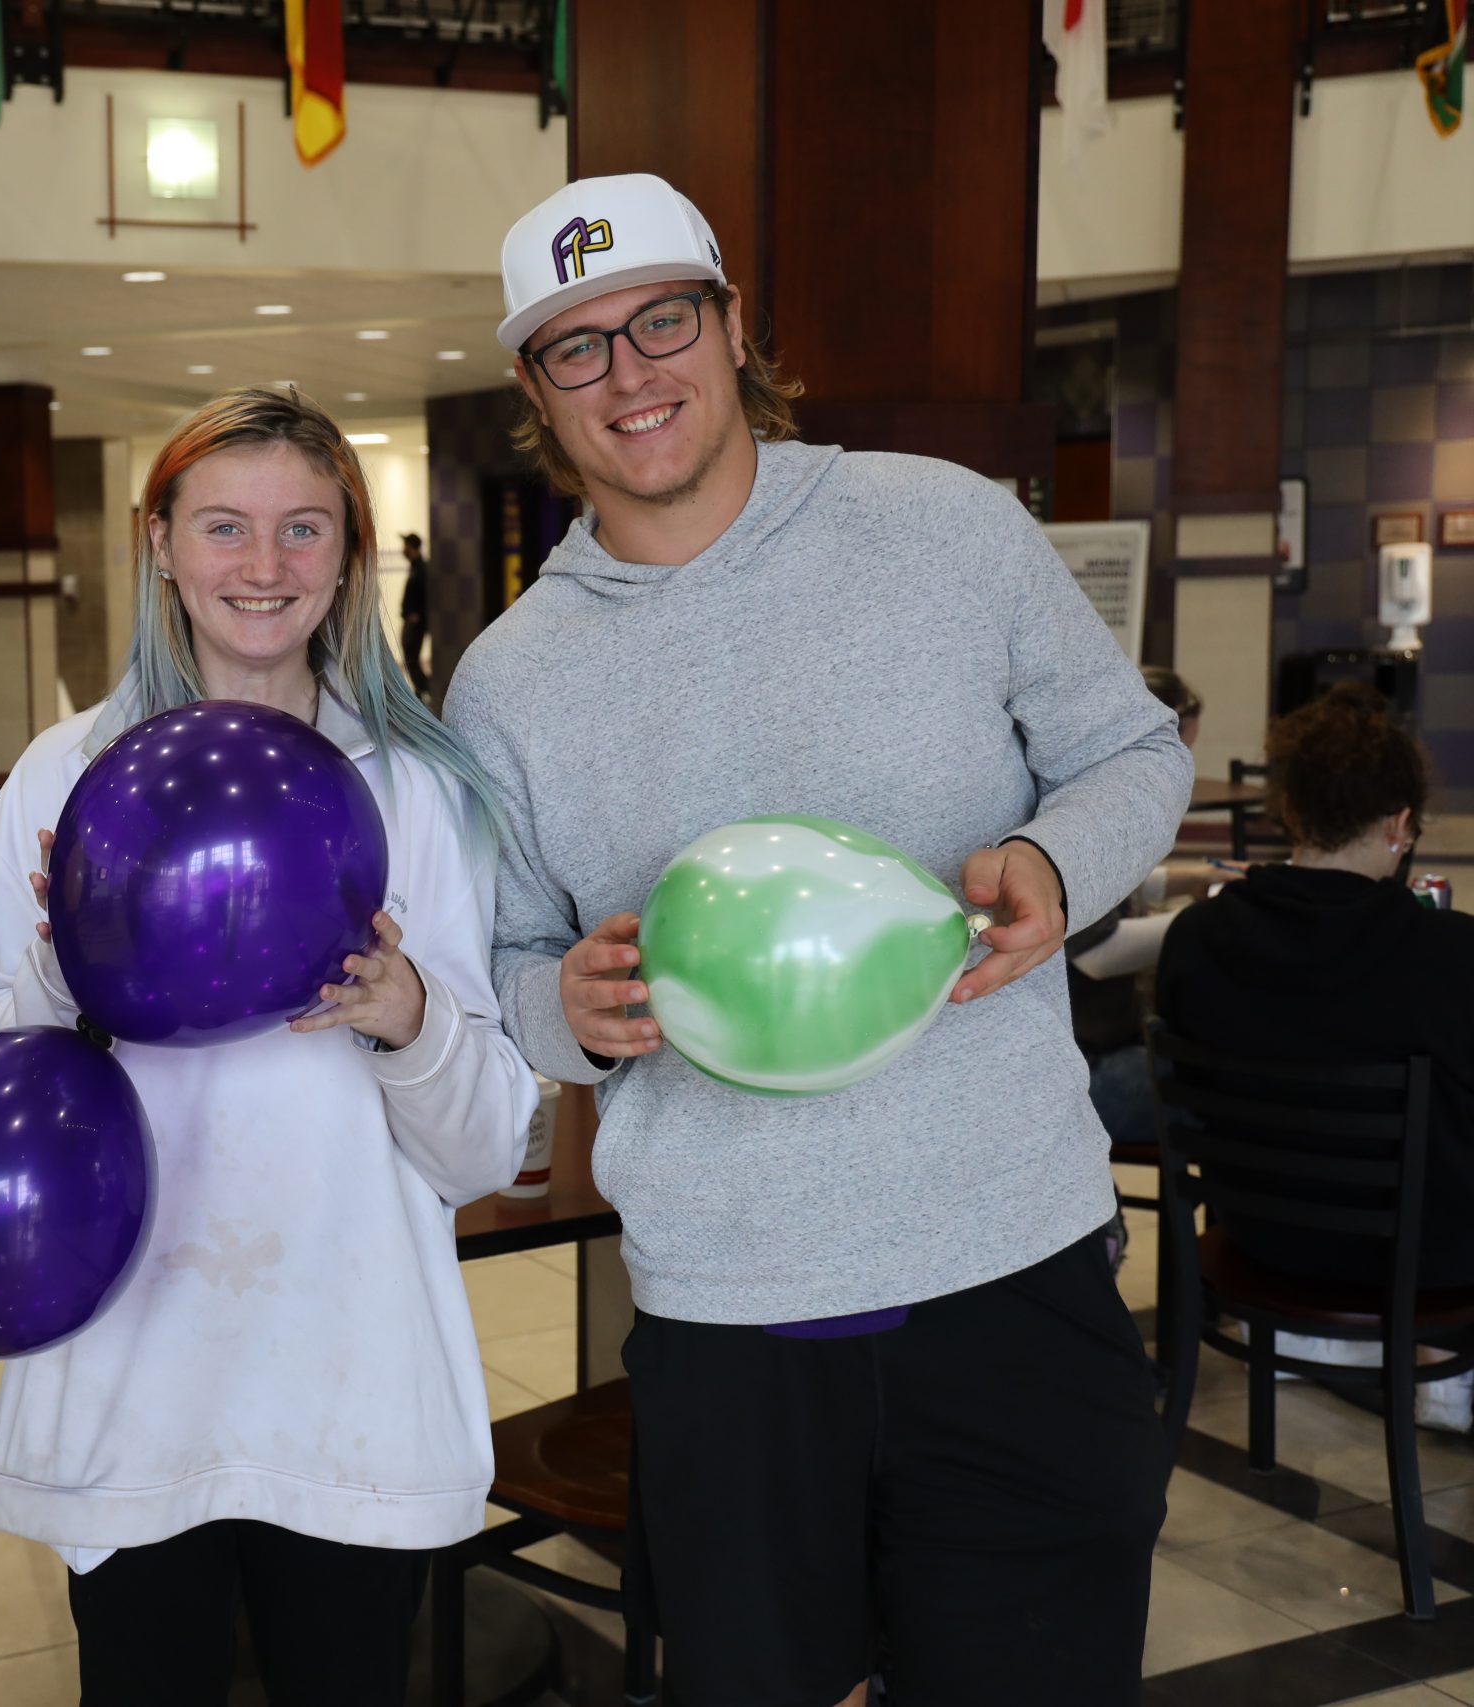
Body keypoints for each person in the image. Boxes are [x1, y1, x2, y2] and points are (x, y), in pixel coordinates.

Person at [444, 175, 1192, 1707]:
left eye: (661, 319)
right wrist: (567, 999)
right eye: (576, 347)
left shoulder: (945, 527)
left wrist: (1055, 858)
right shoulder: (510, 680)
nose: (630, 373)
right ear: (536, 391)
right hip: (731, 1322)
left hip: (1014, 1273)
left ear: (730, 328)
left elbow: (1134, 751)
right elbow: (504, 970)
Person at [0, 386, 536, 1707]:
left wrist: (410, 1014)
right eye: (223, 526)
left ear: (349, 554)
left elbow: (490, 1140)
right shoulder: (59, 781)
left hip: (346, 1389)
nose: (262, 568)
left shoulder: (420, 796)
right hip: (135, 1383)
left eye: (301, 529)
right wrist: (64, 956)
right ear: (158, 541)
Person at [1156, 684, 1474, 1296]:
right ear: (1401, 825)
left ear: (1290, 813)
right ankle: (1438, 1374)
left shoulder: (1199, 936)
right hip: (1422, 1262)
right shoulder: (1450, 954)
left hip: (1261, 1236)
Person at [1069, 667, 1205, 1171]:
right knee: (1228, 1081)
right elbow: (1095, 954)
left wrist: (1193, 878)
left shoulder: (1087, 790)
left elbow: (1106, 878)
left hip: (1096, 1050)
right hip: (1089, 1068)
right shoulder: (1086, 808)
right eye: (1178, 750)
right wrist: (1207, 921)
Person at [398, 529, 431, 698]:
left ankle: (424, 688)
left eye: (405, 545)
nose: (403, 549)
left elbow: (427, 596)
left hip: (416, 623)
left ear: (412, 547)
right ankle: (421, 689)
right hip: (411, 621)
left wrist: (417, 615)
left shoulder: (422, 569)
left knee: (412, 656)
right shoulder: (414, 568)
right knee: (410, 656)